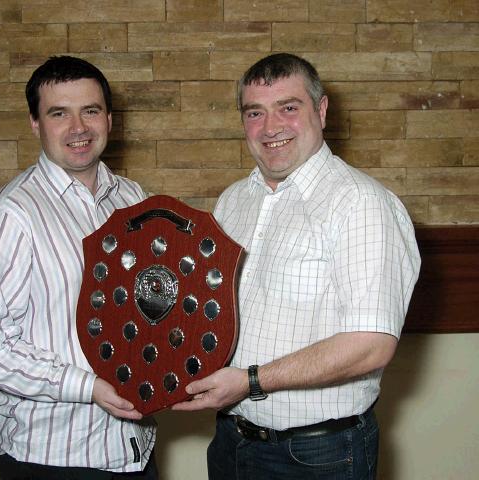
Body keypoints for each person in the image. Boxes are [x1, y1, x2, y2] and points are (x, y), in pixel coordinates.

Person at [173, 53, 421, 479]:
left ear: (321, 111)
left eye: (289, 107)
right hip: (232, 441)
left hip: (319, 455)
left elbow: (370, 344)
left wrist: (250, 381)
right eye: (255, 112)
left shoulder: (361, 204)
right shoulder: (234, 201)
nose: (271, 128)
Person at [0, 56, 157, 479]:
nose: (79, 128)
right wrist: (87, 387)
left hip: (134, 449)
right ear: (35, 123)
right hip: (53, 458)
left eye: (90, 110)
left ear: (108, 117)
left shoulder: (133, 198)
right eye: (59, 113)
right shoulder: (12, 214)